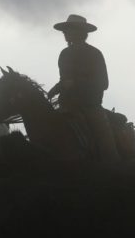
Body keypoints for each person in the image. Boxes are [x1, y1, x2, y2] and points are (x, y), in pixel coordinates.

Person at [47, 14, 120, 162]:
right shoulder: (64, 54)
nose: (64, 33)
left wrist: (75, 84)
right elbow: (64, 80)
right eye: (65, 30)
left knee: (104, 138)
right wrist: (54, 89)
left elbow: (103, 83)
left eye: (68, 30)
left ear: (80, 32)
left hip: (90, 106)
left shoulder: (94, 53)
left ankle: (113, 166)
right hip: (66, 104)